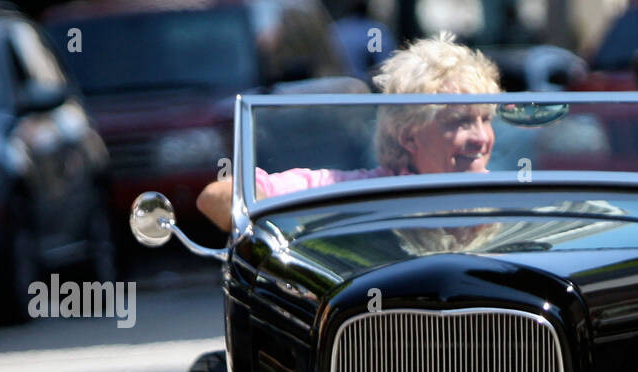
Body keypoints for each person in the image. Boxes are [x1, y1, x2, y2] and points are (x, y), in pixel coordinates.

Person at [197, 32, 500, 231]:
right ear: (409, 136)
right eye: (460, 122)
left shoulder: (513, 196)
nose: (481, 139)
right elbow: (217, 197)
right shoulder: (360, 192)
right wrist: (269, 216)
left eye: (485, 119)